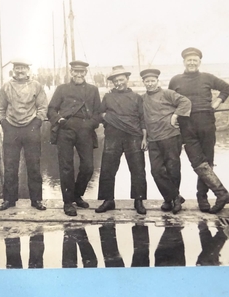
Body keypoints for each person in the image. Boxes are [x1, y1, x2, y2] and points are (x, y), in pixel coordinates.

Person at [168, 47, 229, 214]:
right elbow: (169, 100)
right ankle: (221, 194)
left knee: (208, 160)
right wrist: (174, 115)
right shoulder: (175, 80)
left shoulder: (208, 77)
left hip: (206, 122)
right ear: (184, 62)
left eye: (194, 60)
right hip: (186, 124)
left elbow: (226, 88)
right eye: (188, 60)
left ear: (199, 62)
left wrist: (217, 102)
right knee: (197, 161)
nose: (191, 62)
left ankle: (202, 197)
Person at [48, 60, 101, 216]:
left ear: (85, 73)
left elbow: (98, 113)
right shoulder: (62, 89)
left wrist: (90, 124)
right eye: (75, 72)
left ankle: (77, 194)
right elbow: (51, 109)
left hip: (85, 130)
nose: (78, 74)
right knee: (66, 167)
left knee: (88, 167)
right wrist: (59, 119)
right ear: (71, 72)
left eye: (82, 72)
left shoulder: (93, 90)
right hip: (66, 130)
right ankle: (68, 202)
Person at [0, 59, 48, 211]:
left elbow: (43, 106)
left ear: (28, 70)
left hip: (31, 128)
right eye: (17, 68)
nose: (20, 71)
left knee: (33, 165)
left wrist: (37, 122)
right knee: (10, 166)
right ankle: (9, 200)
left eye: (23, 68)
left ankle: (36, 200)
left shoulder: (36, 86)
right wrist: (4, 123)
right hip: (11, 128)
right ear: (13, 70)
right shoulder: (6, 86)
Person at [95, 65, 147, 215]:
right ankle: (108, 200)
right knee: (107, 168)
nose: (118, 83)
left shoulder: (137, 97)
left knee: (137, 169)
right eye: (115, 80)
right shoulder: (108, 97)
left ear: (127, 79)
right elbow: (100, 113)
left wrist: (144, 138)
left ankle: (139, 200)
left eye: (121, 79)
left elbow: (142, 118)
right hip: (113, 136)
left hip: (134, 136)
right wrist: (108, 118)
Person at [140, 68, 191, 214]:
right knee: (156, 171)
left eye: (152, 81)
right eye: (147, 81)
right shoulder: (142, 99)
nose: (150, 84)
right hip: (153, 139)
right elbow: (141, 119)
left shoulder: (167, 94)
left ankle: (170, 201)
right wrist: (145, 138)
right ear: (143, 82)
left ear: (157, 81)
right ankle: (174, 197)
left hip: (170, 136)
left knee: (172, 169)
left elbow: (185, 102)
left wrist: (175, 116)